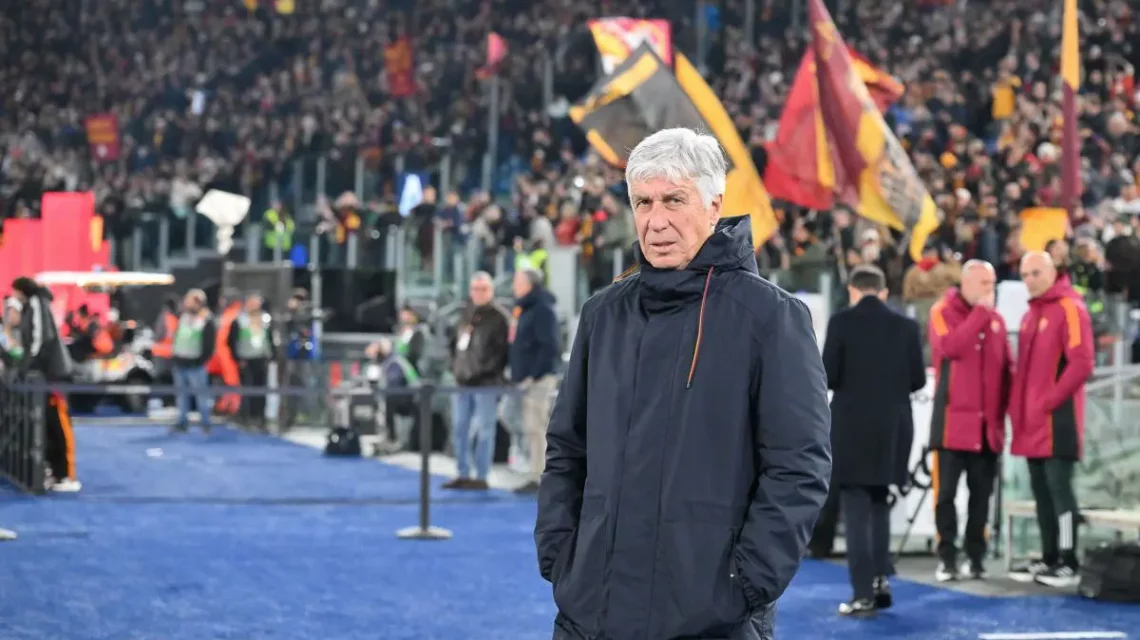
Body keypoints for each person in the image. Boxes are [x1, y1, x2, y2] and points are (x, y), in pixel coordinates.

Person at [535, 129, 831, 640]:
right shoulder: (603, 314)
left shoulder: (770, 317)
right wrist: (562, 558)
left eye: (674, 200)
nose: (656, 221)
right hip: (591, 615)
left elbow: (798, 467)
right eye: (643, 202)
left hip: (712, 621)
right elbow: (567, 449)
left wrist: (743, 586)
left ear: (714, 206)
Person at [822, 265, 925, 615]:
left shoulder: (841, 322)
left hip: (852, 426)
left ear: (853, 290)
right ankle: (881, 581)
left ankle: (862, 592)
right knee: (881, 504)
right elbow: (918, 379)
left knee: (855, 510)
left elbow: (828, 374)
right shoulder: (906, 326)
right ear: (883, 292)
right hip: (894, 427)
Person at [1008, 251, 1095, 588]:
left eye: (1035, 273)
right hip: (1032, 421)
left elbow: (1082, 361)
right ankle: (1049, 557)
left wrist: (1050, 400)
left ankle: (1069, 560)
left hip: (1058, 419)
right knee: (1042, 492)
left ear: (1052, 272)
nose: (1029, 280)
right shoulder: (1030, 315)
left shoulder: (1070, 307)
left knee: (1060, 490)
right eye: (1024, 274)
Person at [928, 260, 1012, 582]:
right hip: (951, 426)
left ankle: (976, 557)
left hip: (986, 429)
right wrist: (979, 315)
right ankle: (947, 557)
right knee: (946, 496)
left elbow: (1007, 370)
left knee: (981, 498)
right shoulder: (941, 312)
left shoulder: (997, 321)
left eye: (992, 283)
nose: (990, 290)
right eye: (984, 283)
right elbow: (950, 347)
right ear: (966, 283)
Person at [11, 277, 80, 492]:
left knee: (59, 423)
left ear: (22, 290)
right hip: (42, 375)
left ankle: (67, 475)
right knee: (47, 424)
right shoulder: (31, 306)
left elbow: (40, 340)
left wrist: (27, 366)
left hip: (52, 375)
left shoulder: (37, 304)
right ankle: (55, 471)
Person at [443, 272, 510, 491]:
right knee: (459, 428)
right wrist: (455, 368)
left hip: (486, 383)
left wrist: (482, 372)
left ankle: (481, 475)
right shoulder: (465, 314)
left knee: (484, 430)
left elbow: (500, 353)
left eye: (483, 289)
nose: (479, 293)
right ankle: (463, 472)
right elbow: (454, 344)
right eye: (475, 289)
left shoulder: (499, 317)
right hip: (462, 382)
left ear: (491, 291)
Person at [508, 267, 561, 495]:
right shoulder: (527, 308)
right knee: (529, 426)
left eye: (517, 281)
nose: (514, 286)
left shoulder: (541, 309)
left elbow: (549, 346)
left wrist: (534, 375)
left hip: (538, 380)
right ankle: (535, 470)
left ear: (528, 284)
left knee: (536, 427)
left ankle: (541, 476)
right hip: (527, 379)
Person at [171, 289, 217, 434]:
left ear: (198, 302)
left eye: (189, 301)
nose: (185, 303)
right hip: (180, 362)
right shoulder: (183, 317)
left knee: (201, 396)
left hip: (196, 365)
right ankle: (182, 422)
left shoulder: (206, 319)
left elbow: (210, 344)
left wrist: (200, 360)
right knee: (181, 396)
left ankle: (206, 423)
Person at [230, 293, 276, 431]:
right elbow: (232, 341)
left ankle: (260, 417)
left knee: (261, 390)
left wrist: (272, 355)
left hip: (261, 359)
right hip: (245, 359)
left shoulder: (266, 320)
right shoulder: (239, 320)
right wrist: (238, 358)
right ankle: (246, 417)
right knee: (247, 389)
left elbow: (270, 339)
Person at [207, 289, 243, 415]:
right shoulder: (228, 314)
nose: (221, 302)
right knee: (227, 382)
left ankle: (232, 408)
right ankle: (225, 406)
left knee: (233, 382)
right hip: (223, 356)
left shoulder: (236, 314)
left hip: (230, 355)